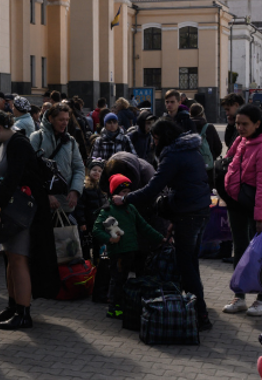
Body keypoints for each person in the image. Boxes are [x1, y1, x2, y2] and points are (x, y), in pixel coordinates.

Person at [116, 118, 213, 331]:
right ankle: (197, 307)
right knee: (192, 262)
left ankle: (201, 314)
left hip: (188, 214)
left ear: (164, 138)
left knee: (186, 265)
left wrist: (125, 199)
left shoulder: (173, 155)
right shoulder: (191, 149)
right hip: (200, 211)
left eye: (156, 138)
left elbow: (153, 188)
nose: (153, 143)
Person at [0, 111, 59, 329]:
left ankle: (23, 312)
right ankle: (14, 305)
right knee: (11, 257)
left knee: (18, 258)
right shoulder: (6, 142)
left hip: (24, 211)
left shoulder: (18, 143)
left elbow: (13, 177)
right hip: (14, 209)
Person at [223, 104, 262, 317]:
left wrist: (260, 218)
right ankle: (239, 297)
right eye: (237, 123)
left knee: (261, 255)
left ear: (257, 124)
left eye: (244, 124)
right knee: (240, 250)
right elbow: (231, 161)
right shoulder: (242, 140)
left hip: (258, 206)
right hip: (238, 202)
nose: (239, 127)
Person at [93, 175, 164, 317]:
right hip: (117, 252)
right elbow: (96, 230)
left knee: (123, 279)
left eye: (128, 192)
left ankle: (120, 303)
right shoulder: (108, 210)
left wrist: (160, 239)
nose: (126, 195)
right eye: (122, 192)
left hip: (130, 251)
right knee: (117, 280)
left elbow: (144, 226)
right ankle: (113, 307)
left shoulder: (131, 208)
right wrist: (110, 239)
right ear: (114, 193)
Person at [30, 103, 85, 219]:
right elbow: (31, 170)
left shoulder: (70, 141)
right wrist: (47, 194)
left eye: (67, 119)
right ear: (50, 119)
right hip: (41, 201)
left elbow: (79, 168)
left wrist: (75, 190)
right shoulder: (37, 138)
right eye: (61, 119)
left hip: (65, 202)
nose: (65, 123)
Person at [80, 160, 108, 263]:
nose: (97, 172)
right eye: (94, 170)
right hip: (88, 222)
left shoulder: (102, 188)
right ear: (89, 171)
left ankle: (97, 263)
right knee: (86, 244)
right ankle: (87, 263)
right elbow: (81, 206)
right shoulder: (85, 188)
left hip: (99, 222)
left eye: (100, 171)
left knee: (98, 243)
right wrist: (82, 221)